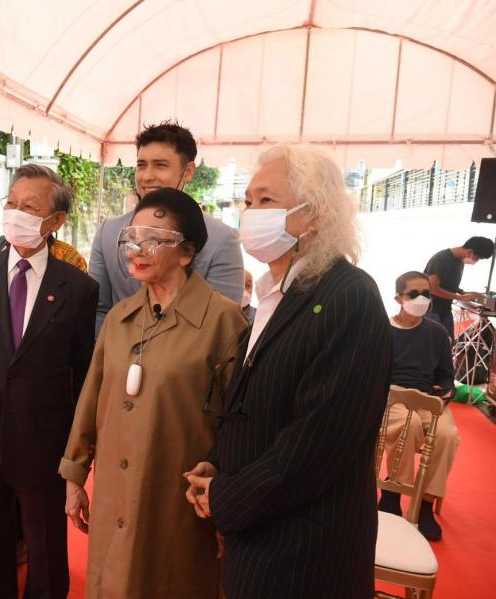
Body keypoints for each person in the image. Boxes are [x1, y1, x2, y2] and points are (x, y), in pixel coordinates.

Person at [184, 145, 391, 598]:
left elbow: (321, 440)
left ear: (313, 215)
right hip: (260, 528)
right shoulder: (276, 294)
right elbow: (254, 404)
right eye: (248, 201)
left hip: (304, 548)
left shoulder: (349, 296)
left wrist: (226, 496)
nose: (250, 213)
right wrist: (219, 462)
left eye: (266, 201)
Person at [61, 188, 247, 598]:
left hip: (178, 493)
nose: (137, 250)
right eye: (132, 238)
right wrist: (75, 476)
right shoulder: (120, 319)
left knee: (172, 581)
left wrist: (230, 500)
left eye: (154, 239)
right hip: (114, 489)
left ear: (186, 252)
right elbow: (91, 398)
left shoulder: (223, 321)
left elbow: (240, 424)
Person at [0, 164, 98, 599]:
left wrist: (79, 452)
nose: (16, 213)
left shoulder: (79, 288)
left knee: (45, 546)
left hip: (45, 439)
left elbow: (82, 373)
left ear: (56, 220)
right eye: (11, 203)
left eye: (30, 207)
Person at [89, 122, 243, 333]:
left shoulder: (221, 239)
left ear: (188, 171)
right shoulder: (109, 232)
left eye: (160, 165)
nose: (147, 176)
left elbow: (222, 326)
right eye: (141, 165)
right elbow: (98, 310)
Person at [379, 271, 459, 541]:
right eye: (414, 294)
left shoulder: (437, 332)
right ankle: (393, 492)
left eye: (426, 293)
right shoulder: (381, 330)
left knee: (447, 436)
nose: (422, 299)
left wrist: (445, 393)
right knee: (408, 425)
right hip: (392, 398)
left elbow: (446, 376)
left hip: (427, 398)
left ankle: (425, 502)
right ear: (398, 298)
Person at [424, 237, 494, 341]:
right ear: (470, 252)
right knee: (434, 343)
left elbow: (447, 284)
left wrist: (463, 292)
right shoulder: (440, 259)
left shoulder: (459, 262)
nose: (476, 261)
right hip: (431, 309)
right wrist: (460, 297)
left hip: (445, 310)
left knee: (448, 342)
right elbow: (433, 288)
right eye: (477, 258)